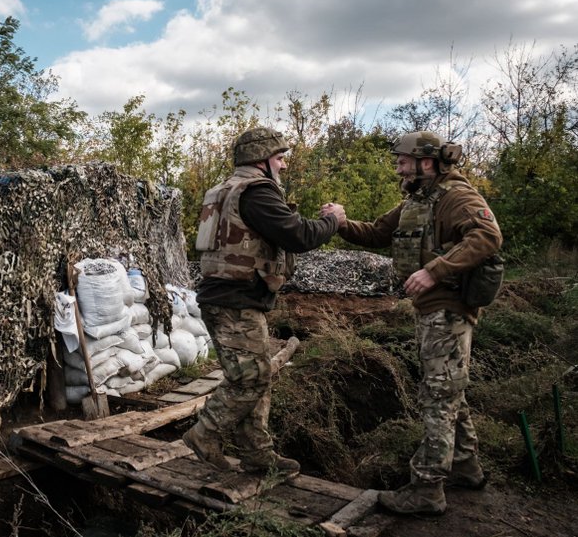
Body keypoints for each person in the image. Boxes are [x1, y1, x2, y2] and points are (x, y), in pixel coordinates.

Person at [325, 131, 502, 515]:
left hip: (448, 310)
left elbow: (488, 235)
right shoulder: (416, 200)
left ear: (428, 162)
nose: (398, 167)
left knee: (437, 396)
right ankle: (465, 467)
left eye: (403, 160)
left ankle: (426, 490)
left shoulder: (456, 196)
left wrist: (434, 271)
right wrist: (339, 223)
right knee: (449, 391)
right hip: (431, 310)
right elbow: (376, 232)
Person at [184, 126, 346, 476]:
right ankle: (204, 434)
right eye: (280, 158)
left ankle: (258, 455)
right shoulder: (256, 192)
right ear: (261, 160)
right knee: (252, 378)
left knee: (255, 376)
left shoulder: (226, 189)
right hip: (235, 300)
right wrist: (332, 221)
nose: (284, 166)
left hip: (230, 296)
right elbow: (299, 235)